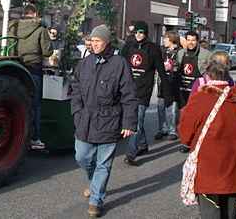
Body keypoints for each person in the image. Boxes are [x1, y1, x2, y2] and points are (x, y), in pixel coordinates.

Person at [71, 24, 138, 218]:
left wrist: (128, 123)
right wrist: (76, 111)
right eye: (92, 41)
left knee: (104, 164)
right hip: (85, 120)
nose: (94, 44)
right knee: (81, 157)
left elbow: (129, 95)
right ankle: (95, 184)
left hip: (109, 121)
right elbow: (75, 89)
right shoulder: (84, 63)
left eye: (98, 41)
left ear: (107, 42)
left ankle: (96, 200)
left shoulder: (119, 64)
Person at [178, 62, 236, 219]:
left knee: (211, 209)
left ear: (207, 76)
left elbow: (185, 133)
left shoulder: (201, 98)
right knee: (231, 210)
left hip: (210, 164)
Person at [119, 21, 166, 166]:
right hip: (127, 89)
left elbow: (160, 69)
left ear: (146, 33)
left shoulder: (153, 49)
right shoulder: (128, 46)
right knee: (137, 121)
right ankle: (143, 144)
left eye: (141, 32)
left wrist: (165, 89)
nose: (139, 35)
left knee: (136, 120)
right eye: (136, 32)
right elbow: (120, 65)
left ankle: (131, 154)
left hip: (143, 90)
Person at [9, 4, 52, 150]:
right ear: (34, 13)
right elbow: (47, 52)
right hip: (34, 68)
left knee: (19, 103)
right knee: (35, 104)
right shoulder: (41, 29)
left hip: (17, 67)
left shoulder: (13, 27)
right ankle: (35, 137)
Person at [156, 31, 182, 141]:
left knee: (173, 108)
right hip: (162, 82)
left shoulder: (180, 52)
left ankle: (173, 130)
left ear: (171, 39)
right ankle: (162, 128)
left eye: (166, 38)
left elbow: (181, 66)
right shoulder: (162, 51)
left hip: (174, 82)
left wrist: (172, 66)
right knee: (160, 106)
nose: (164, 40)